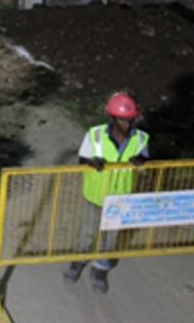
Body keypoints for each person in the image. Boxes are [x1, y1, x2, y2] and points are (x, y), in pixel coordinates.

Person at [64, 92, 149, 295]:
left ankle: (100, 269)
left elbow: (146, 165)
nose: (126, 124)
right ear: (112, 117)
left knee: (111, 236)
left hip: (120, 196)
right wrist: (92, 162)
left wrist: (141, 163)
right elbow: (82, 160)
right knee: (88, 230)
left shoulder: (141, 138)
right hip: (95, 193)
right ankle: (78, 261)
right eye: (122, 120)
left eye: (129, 120)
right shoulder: (95, 134)